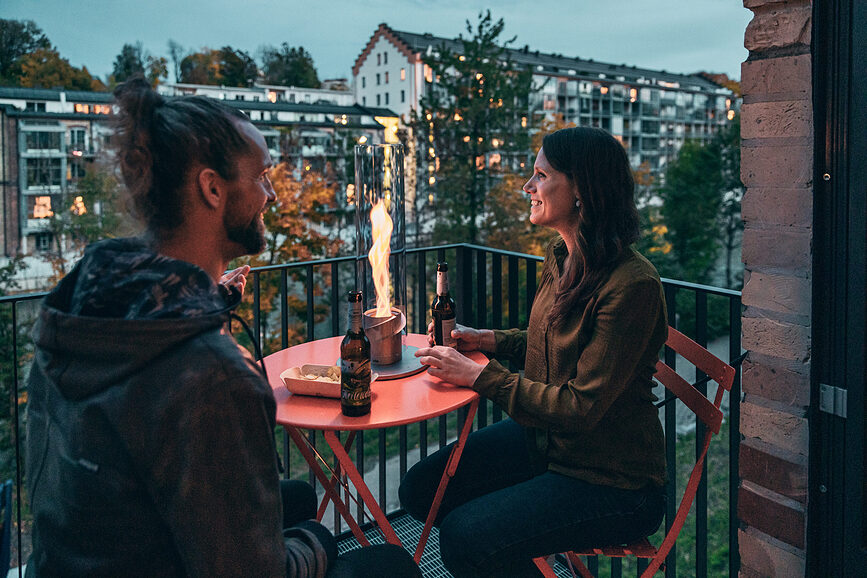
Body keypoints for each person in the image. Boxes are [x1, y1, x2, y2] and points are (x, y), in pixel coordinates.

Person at [25, 77, 420, 578]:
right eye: (261, 176)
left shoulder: (76, 312)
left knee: (297, 497)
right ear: (212, 188)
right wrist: (315, 544)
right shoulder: (212, 376)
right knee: (388, 561)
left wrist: (214, 296)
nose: (271, 194)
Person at [400, 127, 669, 577]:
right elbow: (542, 342)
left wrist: (478, 377)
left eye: (541, 175)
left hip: (612, 479)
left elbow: (580, 405)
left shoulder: (633, 286)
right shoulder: (564, 258)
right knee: (421, 489)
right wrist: (482, 339)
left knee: (467, 537)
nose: (528, 186)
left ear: (581, 189)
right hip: (549, 441)